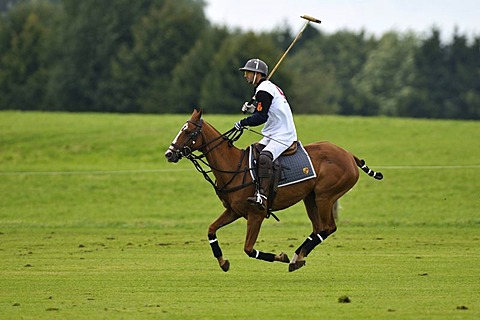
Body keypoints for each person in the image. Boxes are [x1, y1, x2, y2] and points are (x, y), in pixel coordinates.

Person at [234, 58, 298, 210]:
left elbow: (261, 117)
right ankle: (254, 187)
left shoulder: (264, 90)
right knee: (253, 152)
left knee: (264, 157)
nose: (246, 76)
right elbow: (264, 111)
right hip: (273, 132)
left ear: (257, 74)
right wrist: (252, 110)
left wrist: (243, 122)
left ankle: (262, 195)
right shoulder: (265, 88)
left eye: (248, 73)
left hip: (283, 134)